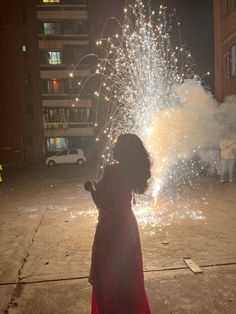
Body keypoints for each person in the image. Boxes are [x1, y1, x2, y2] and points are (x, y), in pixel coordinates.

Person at [84, 133, 151, 314]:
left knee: (108, 279)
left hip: (110, 230)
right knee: (128, 278)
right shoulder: (131, 172)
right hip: (128, 228)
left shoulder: (112, 170)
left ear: (123, 151)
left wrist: (91, 188)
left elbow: (101, 202)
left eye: (116, 146)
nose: (113, 148)